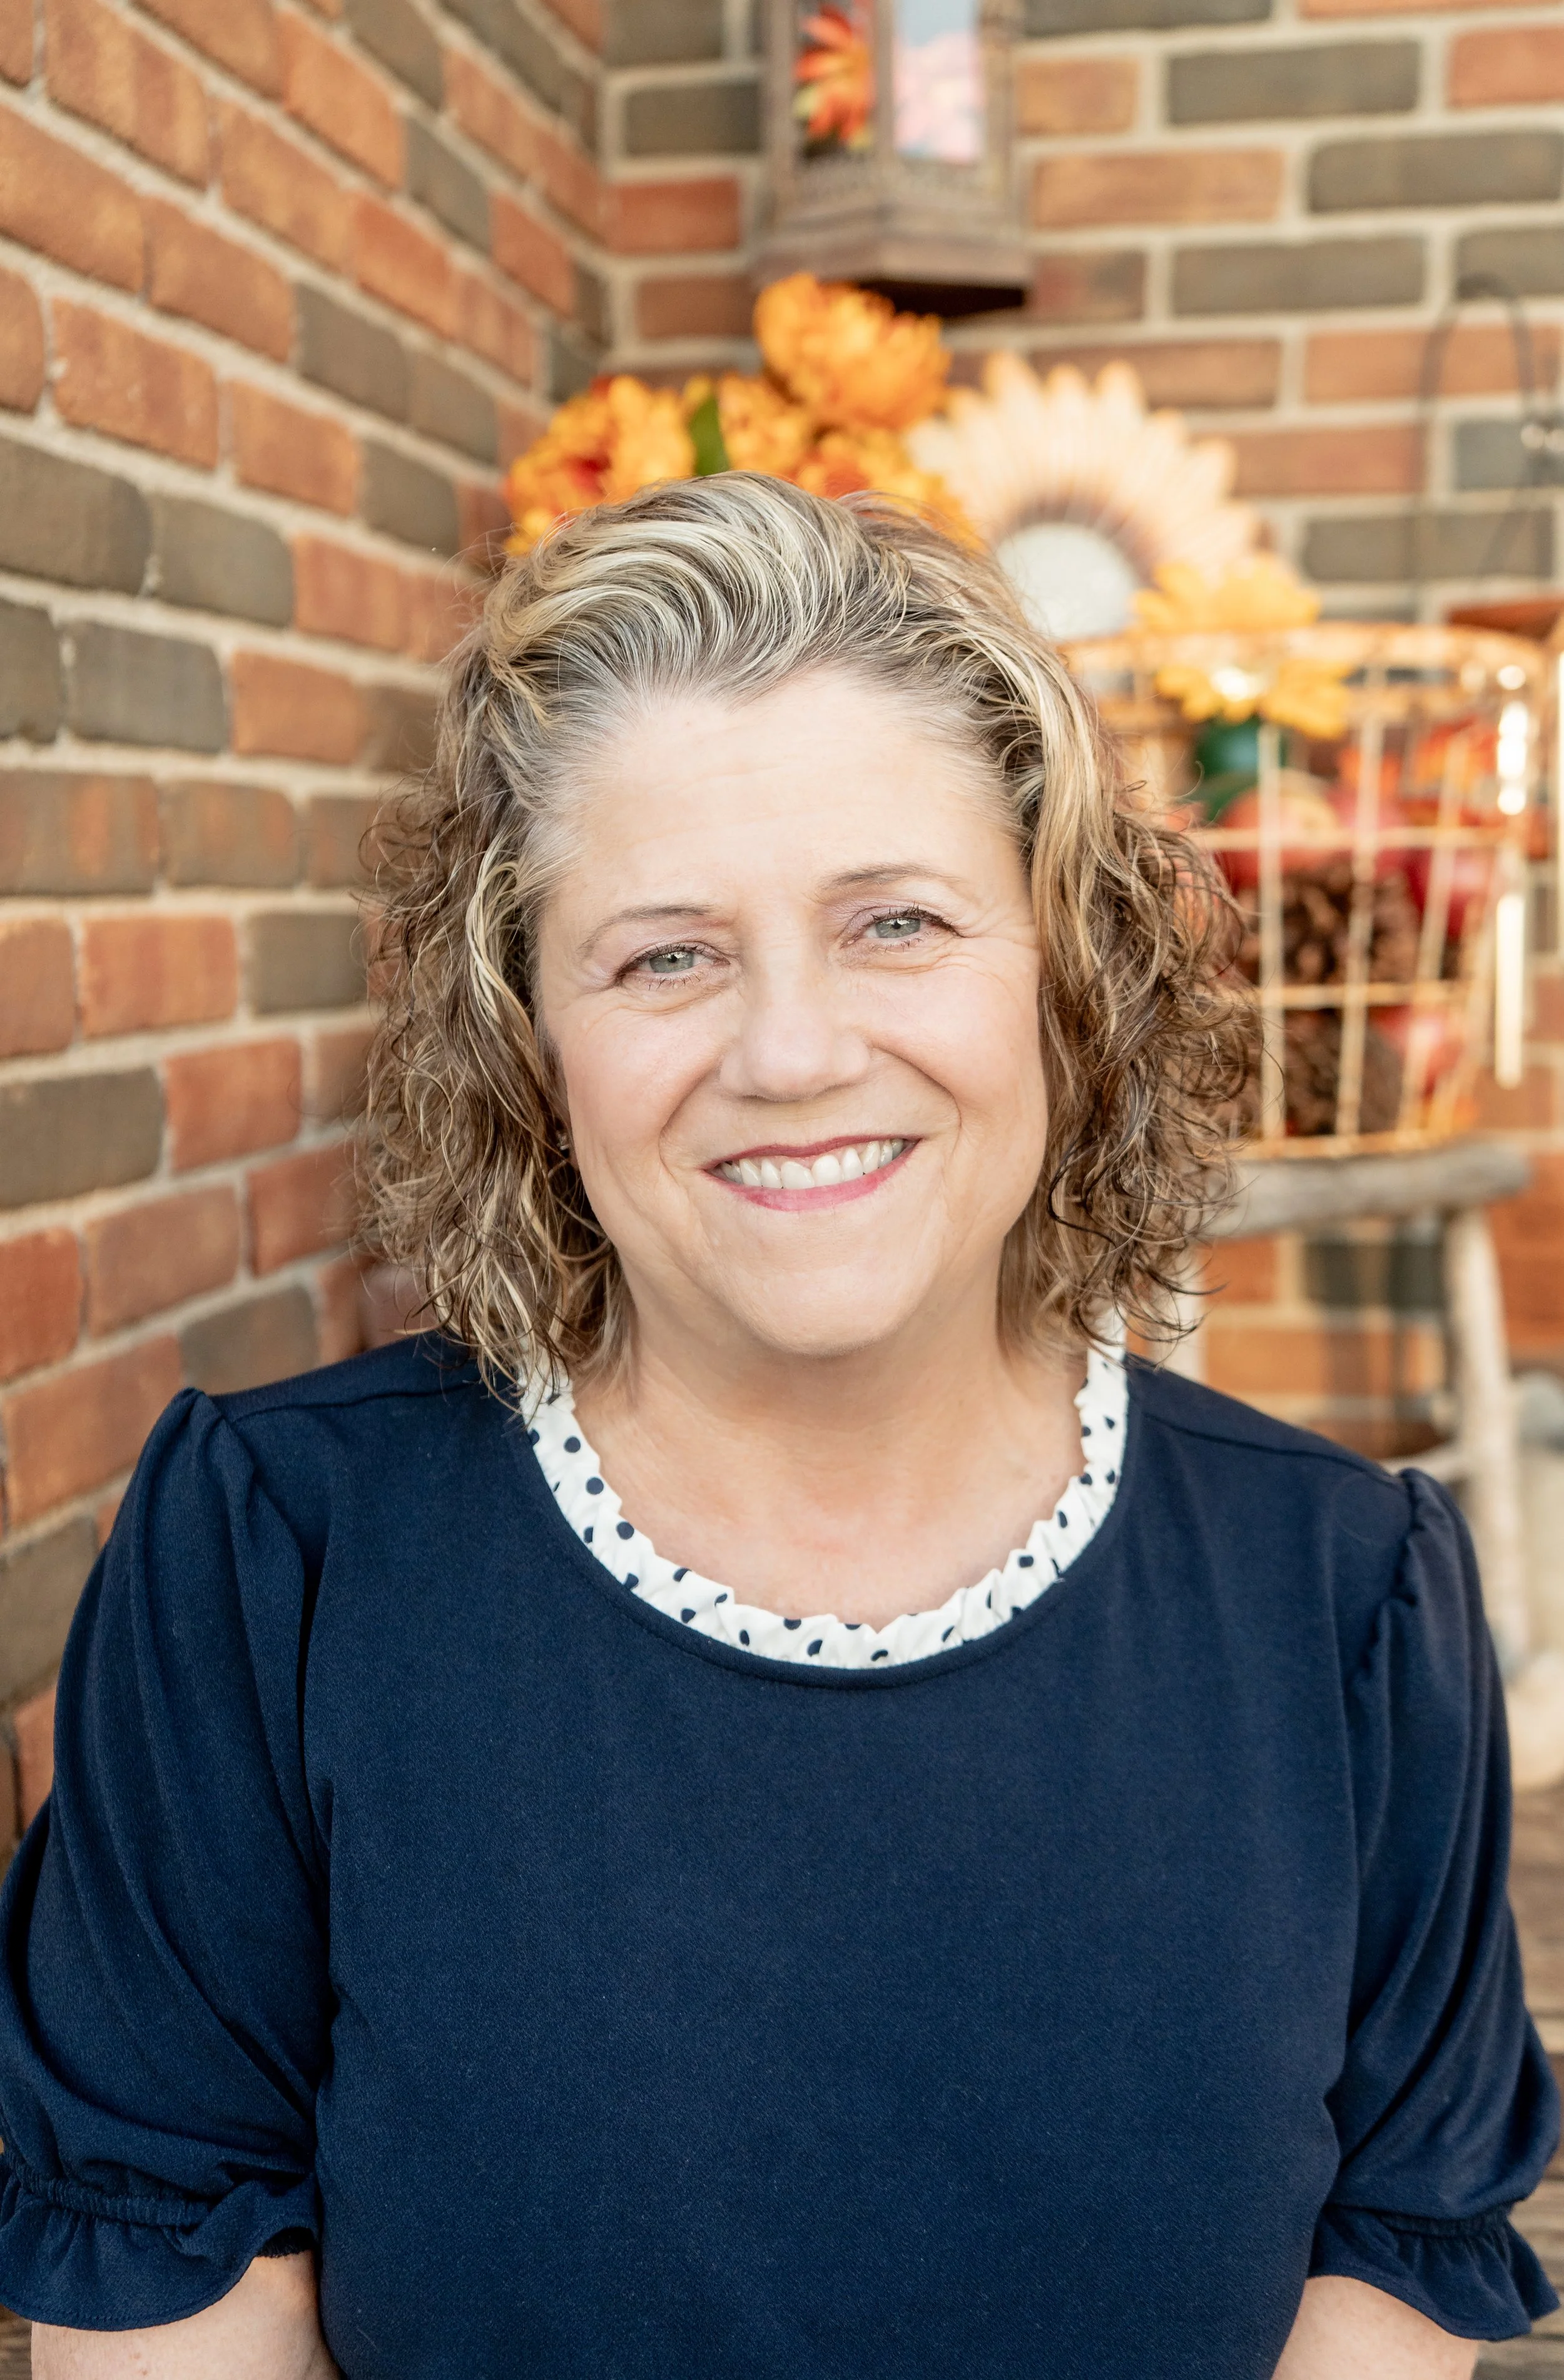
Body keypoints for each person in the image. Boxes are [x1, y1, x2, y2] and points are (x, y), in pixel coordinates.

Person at [0, 477, 1555, 2380]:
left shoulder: (1347, 1599)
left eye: (895, 920)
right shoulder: (269, 1563)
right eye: (666, 953)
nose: (793, 1049)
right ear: (526, 1035)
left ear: (1066, 976)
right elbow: (169, 2288)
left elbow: (1387, 2257)